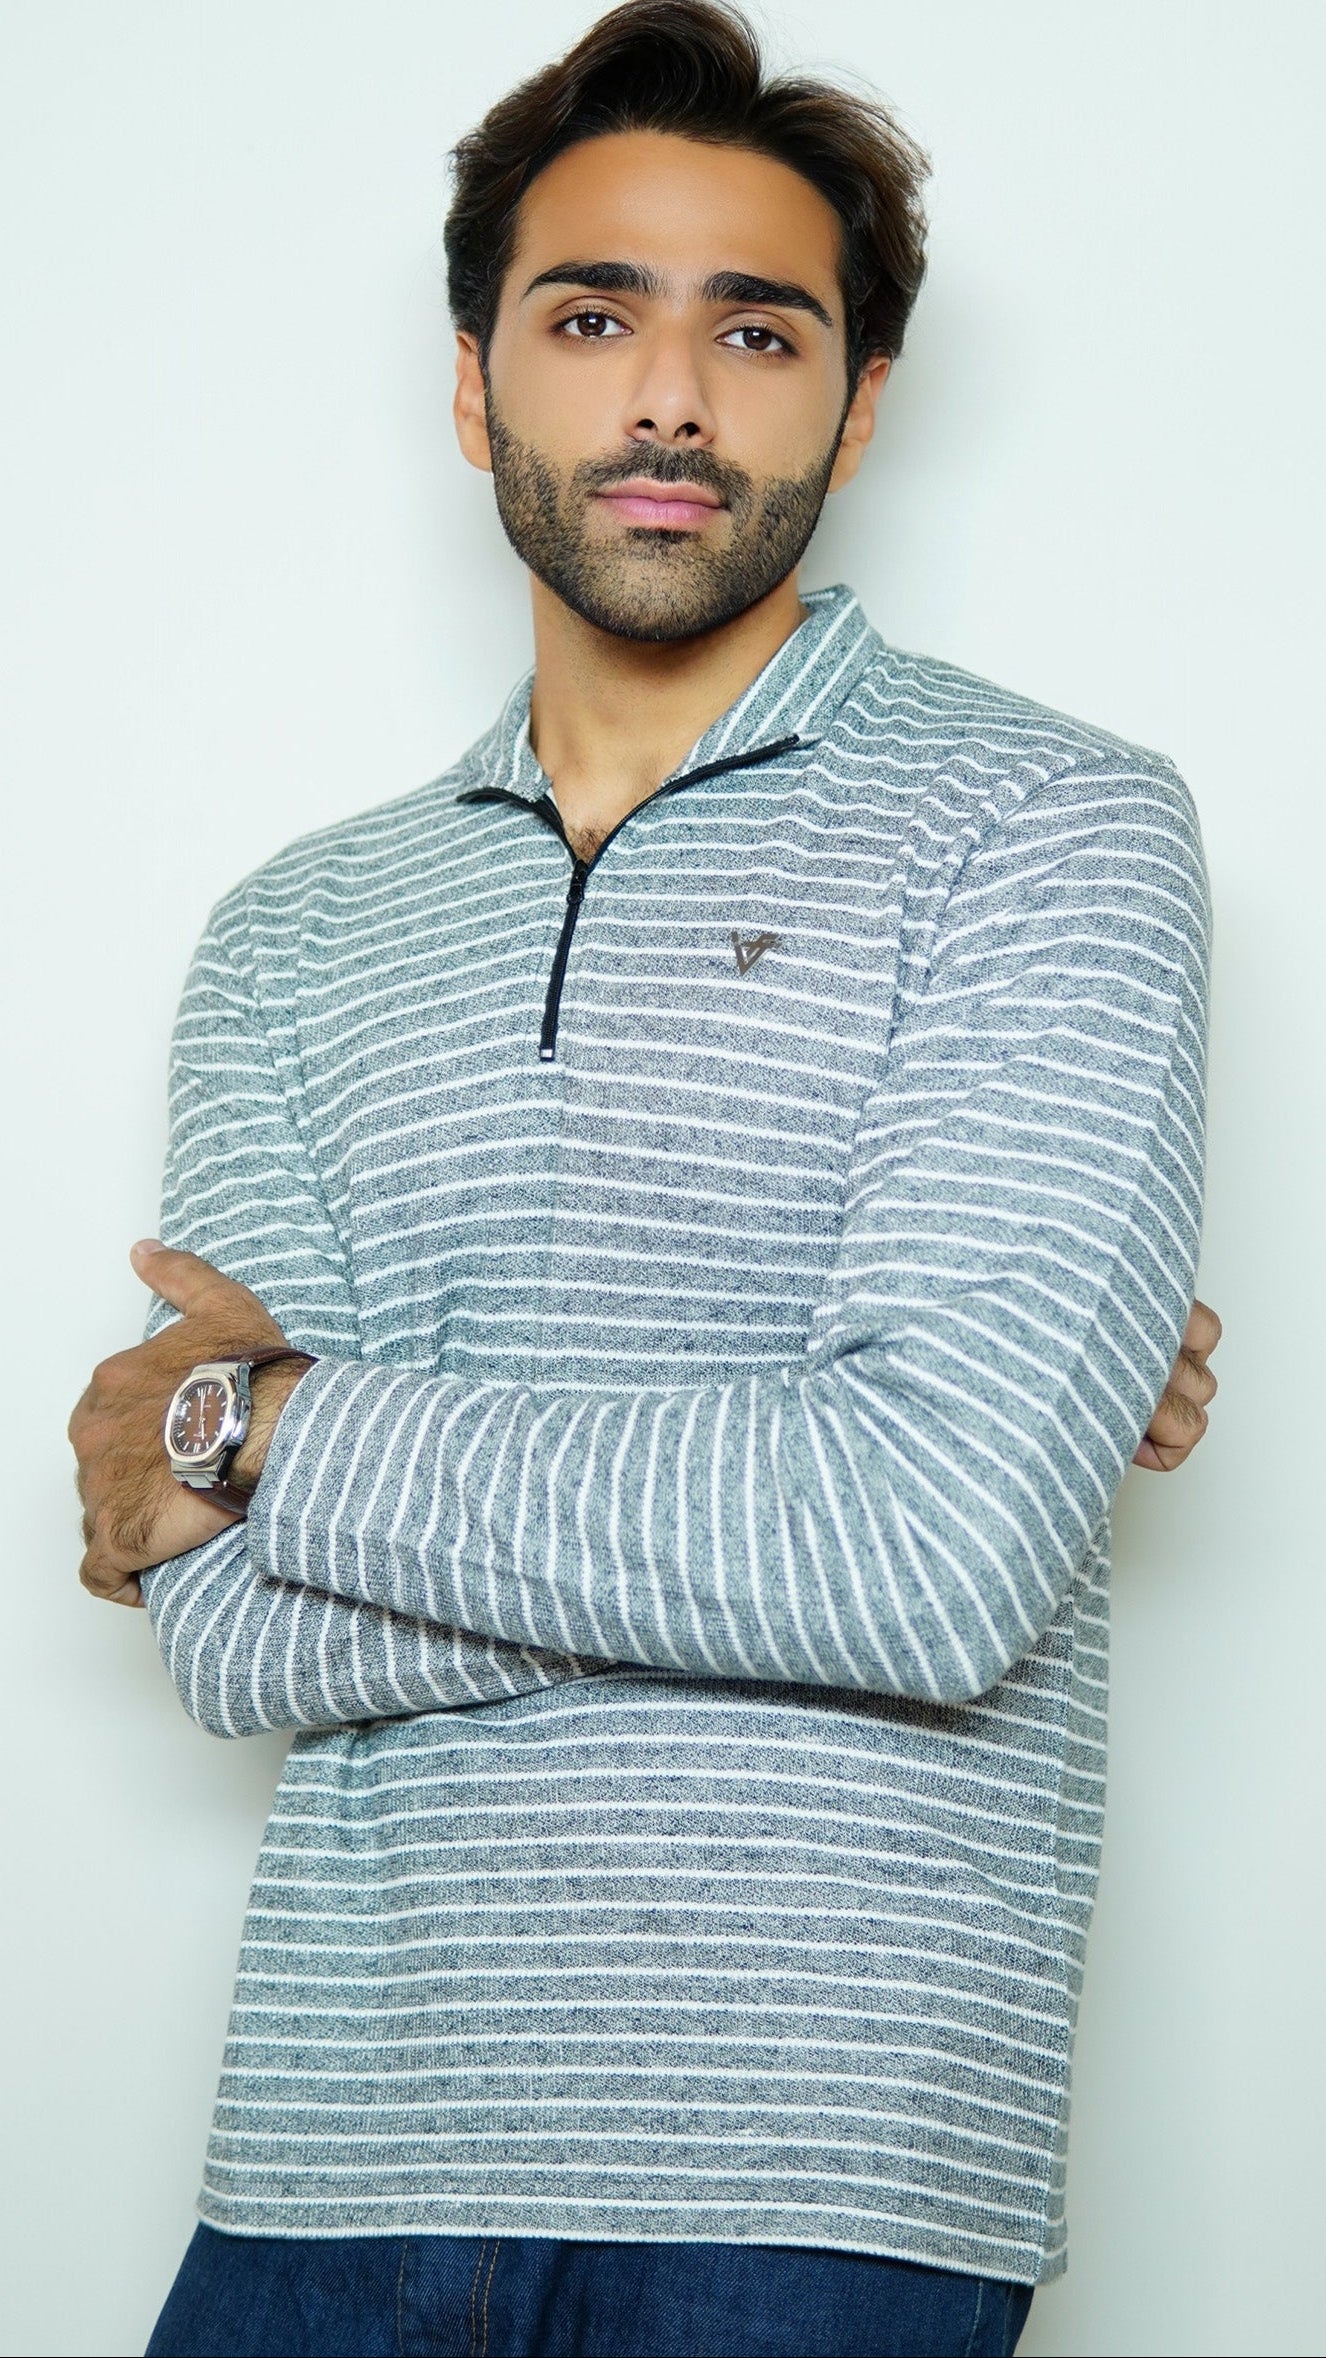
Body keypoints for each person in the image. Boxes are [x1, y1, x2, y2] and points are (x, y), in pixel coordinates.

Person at [69, 6, 1221, 2353]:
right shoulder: (294, 929)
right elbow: (217, 1636)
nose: (671, 399)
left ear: (860, 399)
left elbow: (923, 1565)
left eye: (756, 328)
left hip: (823, 2181)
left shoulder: (1057, 829)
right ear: (476, 383)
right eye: (591, 316)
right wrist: (840, 1484)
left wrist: (262, 1432)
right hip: (318, 2154)